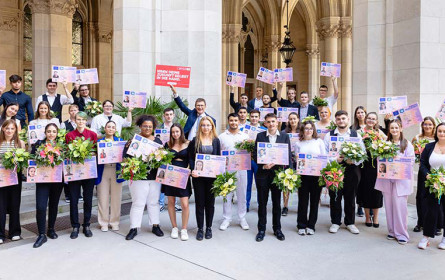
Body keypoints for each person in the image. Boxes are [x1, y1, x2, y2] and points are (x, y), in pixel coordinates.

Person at [323, 110, 364, 234]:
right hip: (335, 169)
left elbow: (363, 153)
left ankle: (350, 222)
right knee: (335, 196)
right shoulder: (329, 135)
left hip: (352, 169)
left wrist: (355, 160)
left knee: (350, 197)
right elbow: (324, 154)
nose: (341, 121)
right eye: (339, 119)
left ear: (348, 120)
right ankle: (335, 222)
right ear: (335, 121)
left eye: (343, 118)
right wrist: (335, 159)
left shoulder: (355, 135)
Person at [124, 115, 164, 240]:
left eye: (150, 126)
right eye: (145, 126)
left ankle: (155, 225)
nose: (147, 128)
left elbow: (162, 158)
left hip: (154, 177)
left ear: (153, 128)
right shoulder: (133, 141)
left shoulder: (158, 141)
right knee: (138, 203)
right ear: (140, 126)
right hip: (138, 177)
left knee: (154, 202)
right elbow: (126, 157)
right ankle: (134, 227)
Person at [375, 119, 414, 245]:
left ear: (401, 128)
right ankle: (392, 231)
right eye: (392, 128)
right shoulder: (384, 143)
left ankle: (402, 233)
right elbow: (379, 159)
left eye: (396, 128)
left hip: (401, 180)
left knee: (400, 207)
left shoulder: (407, 144)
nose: (394, 130)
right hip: (387, 179)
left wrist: (398, 162)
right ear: (389, 130)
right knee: (389, 206)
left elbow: (411, 162)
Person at [254, 113, 292, 242]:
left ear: (277, 123)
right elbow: (255, 154)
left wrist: (288, 174)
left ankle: (277, 229)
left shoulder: (284, 136)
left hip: (278, 176)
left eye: (273, 121)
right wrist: (263, 165)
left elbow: (288, 156)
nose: (271, 124)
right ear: (265, 123)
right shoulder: (260, 136)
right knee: (262, 204)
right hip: (263, 174)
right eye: (268, 122)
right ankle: (261, 229)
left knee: (277, 203)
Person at [65, 111, 98, 239]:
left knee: (88, 199)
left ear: (86, 121)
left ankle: (87, 224)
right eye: (78, 119)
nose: (80, 122)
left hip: (88, 172)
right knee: (73, 200)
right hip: (74, 172)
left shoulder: (92, 134)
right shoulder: (69, 135)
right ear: (75, 120)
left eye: (83, 120)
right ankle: (75, 225)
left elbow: (95, 151)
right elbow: (67, 153)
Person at [30, 123, 64, 248]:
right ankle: (41, 234)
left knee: (54, 205)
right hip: (42, 180)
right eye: (49, 131)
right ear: (45, 132)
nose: (51, 134)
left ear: (57, 133)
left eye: (54, 131)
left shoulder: (61, 146)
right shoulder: (39, 144)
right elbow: (32, 160)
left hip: (56, 180)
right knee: (41, 206)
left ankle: (51, 229)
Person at [188, 116, 221, 240]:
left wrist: (219, 172)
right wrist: (192, 170)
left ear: (212, 126)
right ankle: (200, 229)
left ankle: (209, 228)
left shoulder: (216, 141)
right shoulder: (195, 140)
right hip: (198, 177)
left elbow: (218, 157)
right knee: (199, 203)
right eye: (203, 125)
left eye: (208, 125)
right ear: (200, 127)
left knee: (210, 204)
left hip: (212, 177)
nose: (206, 127)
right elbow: (191, 158)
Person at [218, 113, 250, 231]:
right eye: (231, 120)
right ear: (228, 121)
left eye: (235, 120)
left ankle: (242, 218)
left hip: (242, 169)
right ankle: (227, 218)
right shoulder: (222, 136)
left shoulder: (245, 136)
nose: (233, 123)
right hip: (227, 170)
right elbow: (219, 153)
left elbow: (249, 154)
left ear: (239, 121)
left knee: (242, 194)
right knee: (227, 194)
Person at [295, 121, 326, 235]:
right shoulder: (298, 143)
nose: (308, 131)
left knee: (314, 201)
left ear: (313, 130)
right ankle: (301, 225)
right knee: (303, 201)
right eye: (306, 128)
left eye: (310, 128)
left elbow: (324, 158)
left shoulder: (319, 142)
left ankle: (311, 225)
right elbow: (296, 159)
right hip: (303, 176)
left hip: (316, 176)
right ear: (302, 130)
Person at [418, 123, 445, 250]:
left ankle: (444, 239)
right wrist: (428, 175)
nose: (442, 134)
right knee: (431, 211)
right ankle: (426, 237)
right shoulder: (429, 147)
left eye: (444, 131)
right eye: (440, 131)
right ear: (436, 132)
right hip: (432, 183)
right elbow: (422, 163)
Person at [357, 112, 387, 228]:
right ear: (366, 119)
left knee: (376, 191)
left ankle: (376, 217)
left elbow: (386, 143)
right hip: (364, 165)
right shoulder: (360, 132)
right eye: (369, 118)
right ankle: (367, 217)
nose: (371, 120)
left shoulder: (379, 133)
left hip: (376, 165)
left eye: (373, 119)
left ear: (376, 121)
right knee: (365, 190)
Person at [163, 124, 192, 241]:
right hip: (171, 174)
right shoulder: (167, 145)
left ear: (181, 132)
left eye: (177, 132)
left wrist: (189, 169)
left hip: (184, 174)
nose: (175, 134)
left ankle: (184, 229)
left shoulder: (188, 143)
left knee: (184, 203)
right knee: (171, 201)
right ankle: (174, 227)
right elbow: (164, 159)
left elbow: (191, 158)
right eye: (173, 132)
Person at [96, 121, 125, 232]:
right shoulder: (99, 142)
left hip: (116, 171)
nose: (111, 129)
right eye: (109, 127)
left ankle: (114, 222)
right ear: (105, 128)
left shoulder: (120, 141)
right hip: (103, 170)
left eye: (113, 127)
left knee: (116, 197)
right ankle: (103, 222)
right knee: (102, 197)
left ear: (115, 129)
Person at [412, 117, 439, 233]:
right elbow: (412, 153)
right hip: (423, 170)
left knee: (436, 197)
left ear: (434, 126)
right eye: (425, 124)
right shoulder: (417, 138)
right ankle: (420, 222)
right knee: (421, 197)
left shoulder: (437, 139)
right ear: (422, 125)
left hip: (437, 171)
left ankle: (437, 224)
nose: (427, 126)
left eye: (430, 124)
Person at [0, 119, 25, 244]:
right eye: (7, 128)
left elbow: (23, 161)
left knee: (15, 204)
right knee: (1, 206)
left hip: (15, 178)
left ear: (16, 130)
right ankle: (0, 234)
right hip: (1, 178)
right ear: (3, 129)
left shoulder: (20, 143)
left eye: (12, 128)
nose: (9, 131)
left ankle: (15, 232)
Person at [159, 108, 178, 212]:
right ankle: (161, 203)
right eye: (167, 114)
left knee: (174, 179)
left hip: (175, 155)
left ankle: (174, 204)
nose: (169, 116)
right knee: (162, 179)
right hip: (162, 155)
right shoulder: (159, 128)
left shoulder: (177, 128)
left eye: (171, 114)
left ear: (173, 115)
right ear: (164, 116)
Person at [281, 112, 300, 216]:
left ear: (298, 119)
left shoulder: (302, 132)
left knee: (299, 183)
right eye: (290, 119)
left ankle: (300, 205)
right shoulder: (284, 132)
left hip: (299, 160)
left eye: (294, 119)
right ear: (288, 120)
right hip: (287, 160)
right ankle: (285, 206)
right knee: (286, 183)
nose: (292, 121)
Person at [246, 109, 262, 211]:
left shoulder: (263, 130)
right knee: (247, 184)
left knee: (260, 184)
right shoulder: (244, 129)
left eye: (256, 116)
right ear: (249, 117)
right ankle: (246, 204)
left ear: (259, 118)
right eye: (252, 116)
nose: (254, 118)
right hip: (246, 159)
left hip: (258, 160)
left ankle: (261, 204)